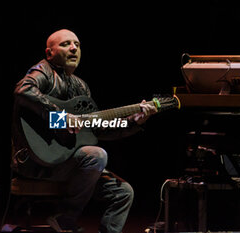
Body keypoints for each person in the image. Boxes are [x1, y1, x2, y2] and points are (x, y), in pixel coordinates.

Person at [11, 29, 157, 233]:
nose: (73, 48)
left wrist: (135, 121)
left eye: (77, 45)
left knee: (123, 192)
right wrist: (61, 117)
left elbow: (97, 130)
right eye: (65, 44)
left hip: (70, 162)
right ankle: (65, 217)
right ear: (49, 53)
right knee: (96, 155)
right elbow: (23, 90)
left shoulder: (81, 86)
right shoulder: (43, 71)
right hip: (37, 163)